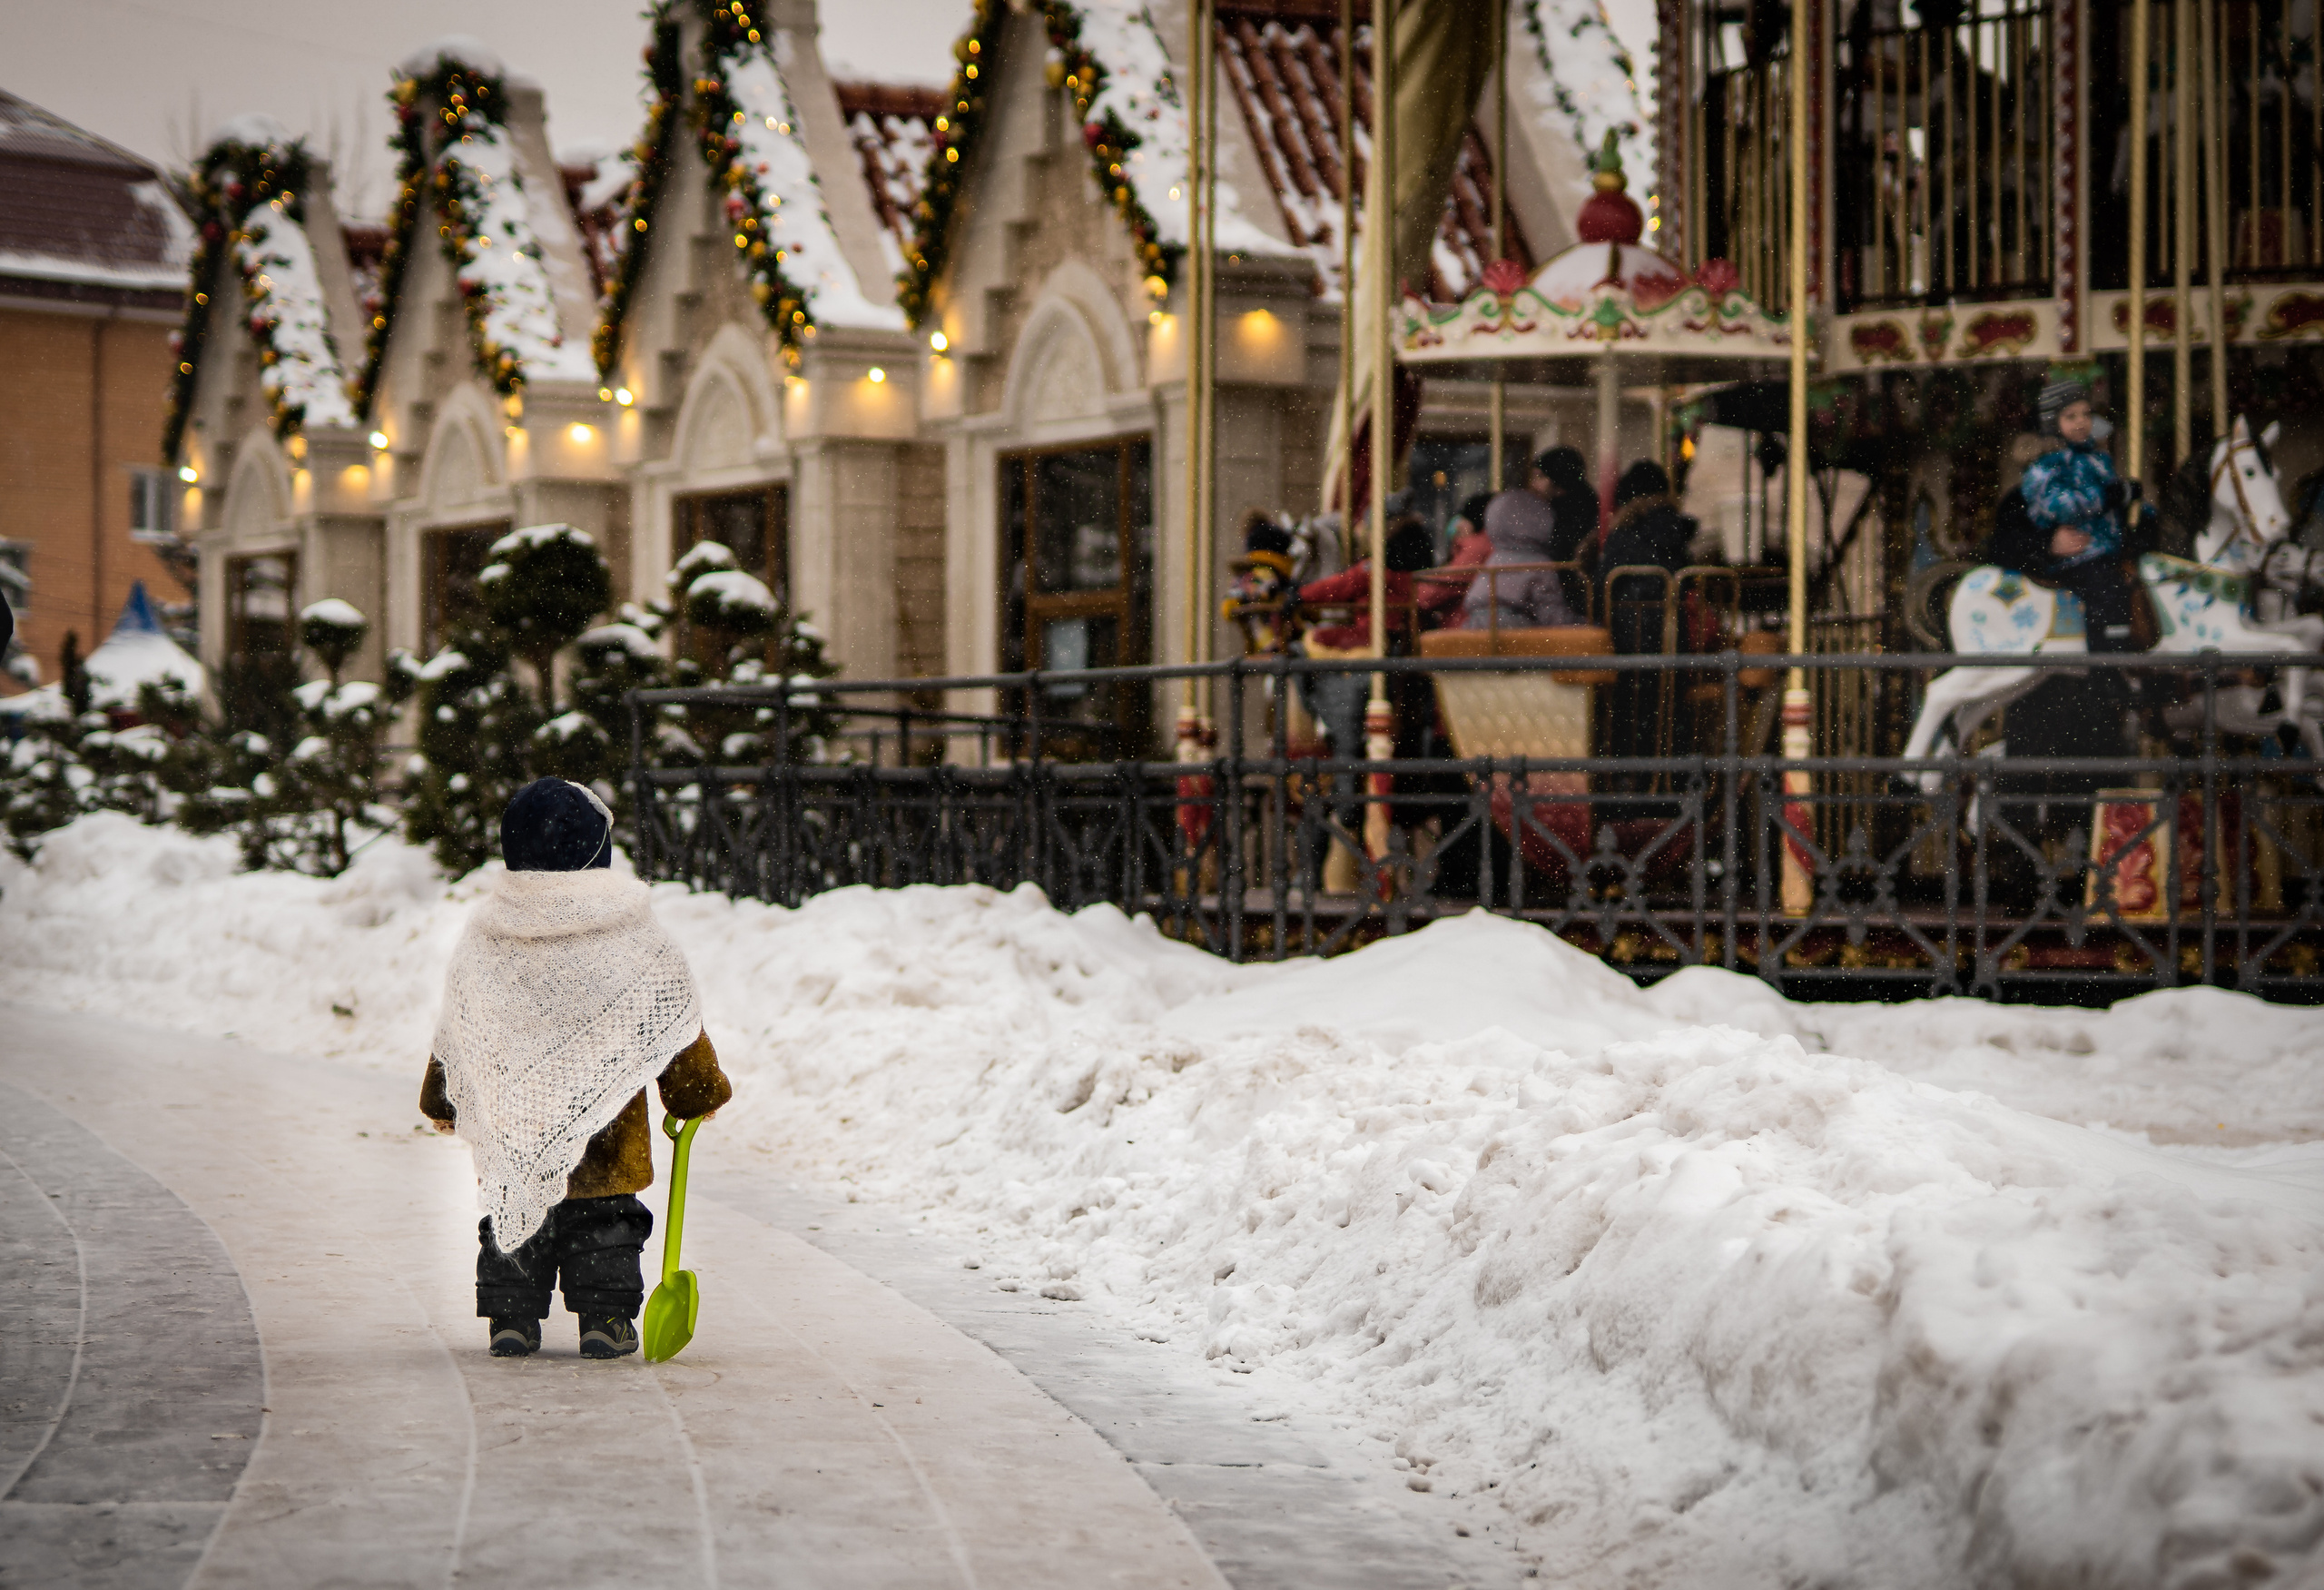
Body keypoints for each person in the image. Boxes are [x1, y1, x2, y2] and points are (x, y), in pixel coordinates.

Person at [421, 778, 732, 1359]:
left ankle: (511, 1319)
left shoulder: (490, 933)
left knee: (516, 1219)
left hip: (516, 1124)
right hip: (610, 1137)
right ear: (599, 849)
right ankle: (605, 1320)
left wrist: (441, 1098)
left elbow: (461, 1028)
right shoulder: (634, 935)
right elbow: (672, 1024)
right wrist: (695, 1093)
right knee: (607, 1228)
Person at [2017, 379, 2141, 653]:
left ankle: (2127, 653)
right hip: (2078, 554)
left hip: (2104, 548)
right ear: (2053, 423)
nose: (2081, 422)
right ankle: (2104, 664)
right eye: (2070, 416)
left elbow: (2112, 502)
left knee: (2133, 584)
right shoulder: (2047, 465)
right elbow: (2059, 506)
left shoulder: (2096, 458)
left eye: (2086, 414)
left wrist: (2132, 503)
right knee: (2106, 592)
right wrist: (2107, 497)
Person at [1461, 451, 1580, 632]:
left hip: (1475, 626)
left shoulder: (1496, 559)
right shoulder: (1539, 566)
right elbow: (1551, 614)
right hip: (1514, 630)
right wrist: (1581, 624)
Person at [1416, 492, 1494, 620]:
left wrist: (1414, 590)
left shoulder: (1476, 548)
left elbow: (1429, 594)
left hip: (1464, 623)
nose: (1458, 525)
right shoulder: (1485, 545)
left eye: (1464, 519)